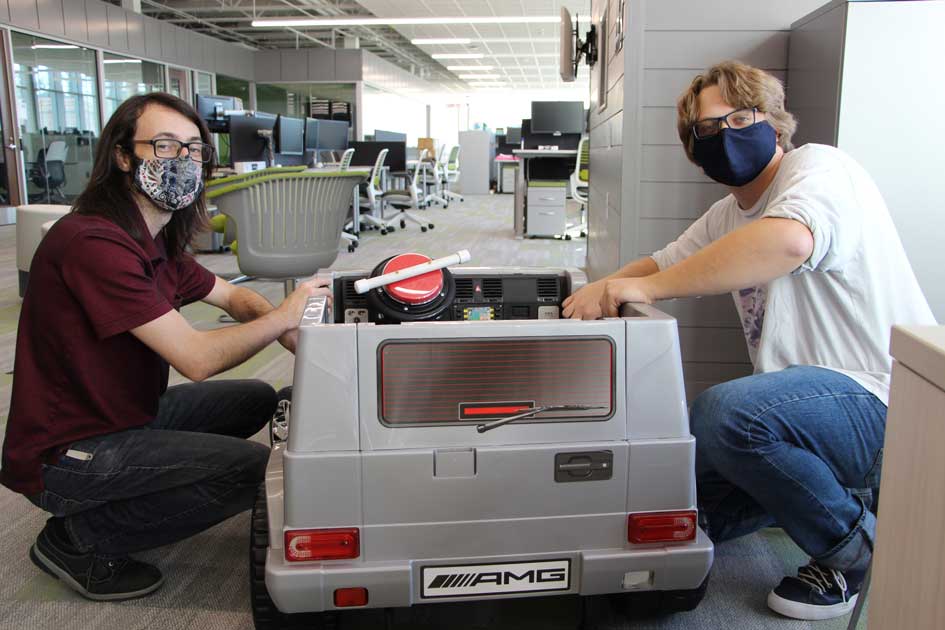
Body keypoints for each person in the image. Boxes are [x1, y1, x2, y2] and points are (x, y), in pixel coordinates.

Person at [563, 60, 935, 620]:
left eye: (739, 118)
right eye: (706, 131)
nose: (724, 137)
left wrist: (642, 285)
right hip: (808, 412)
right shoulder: (727, 214)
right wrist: (598, 290)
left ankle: (854, 551)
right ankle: (825, 501)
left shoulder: (820, 169)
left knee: (726, 414)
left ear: (773, 121)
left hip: (881, 403)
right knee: (671, 494)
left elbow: (789, 242)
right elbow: (663, 262)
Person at [0, 93, 329, 601]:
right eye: (165, 145)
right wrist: (287, 314)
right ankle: (77, 539)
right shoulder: (93, 244)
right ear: (123, 156)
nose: (183, 162)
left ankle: (120, 498)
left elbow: (235, 298)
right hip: (65, 453)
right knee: (250, 470)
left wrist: (292, 334)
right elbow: (196, 359)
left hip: (124, 415)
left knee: (257, 399)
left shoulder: (153, 238)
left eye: (194, 149)